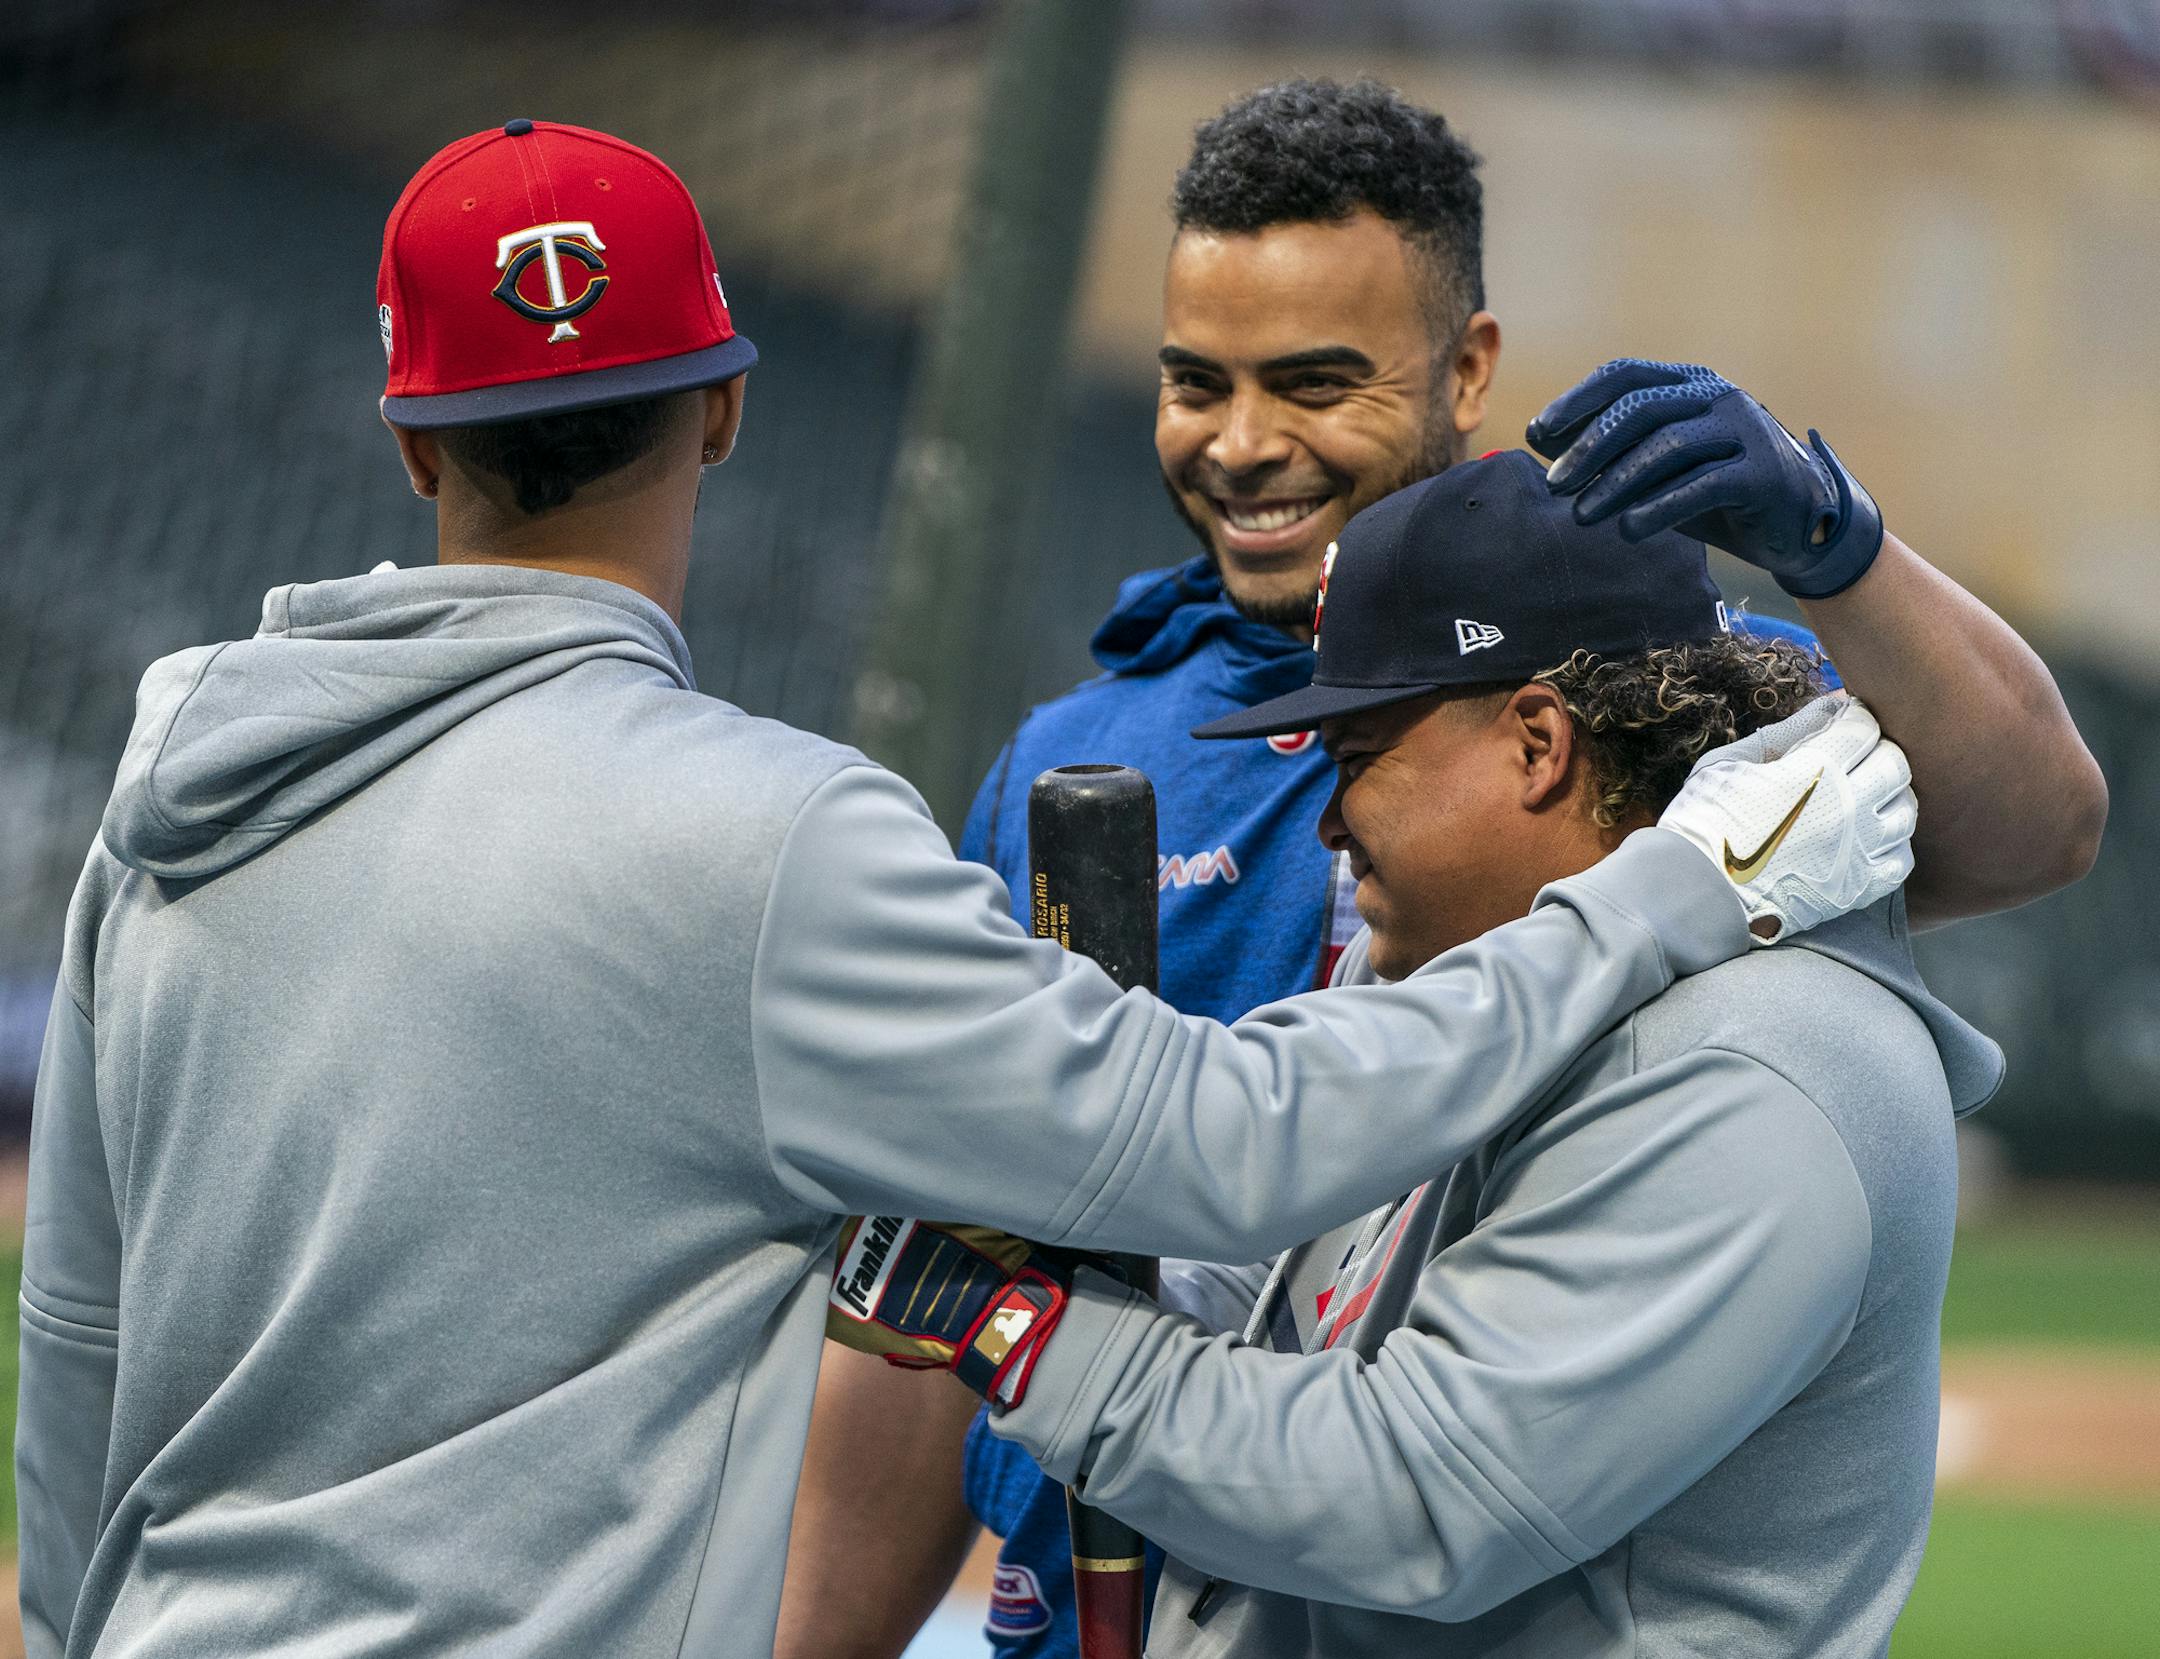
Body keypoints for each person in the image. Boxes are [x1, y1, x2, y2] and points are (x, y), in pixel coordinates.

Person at [11, 122, 1908, 1659]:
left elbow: (77, 1348)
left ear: (412, 435)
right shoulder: (766, 831)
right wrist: (1672, 891)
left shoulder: (172, 805)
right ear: (729, 411)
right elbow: (1228, 1140)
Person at [778, 78, 2105, 1659]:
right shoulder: (1093, 736)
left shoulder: (1689, 723)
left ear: (1466, 367)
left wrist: (1839, 546)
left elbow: (2040, 822)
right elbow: (960, 1259)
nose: (1246, 441)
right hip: (1126, 1571)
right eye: (1196, 379)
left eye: (1316, 381)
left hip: (1317, 1508)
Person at [825, 451, 2001, 1658]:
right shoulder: (1473, 985)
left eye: (1355, 761)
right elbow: (1256, 1288)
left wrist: (1013, 1323)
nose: (1330, 824)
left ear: (1538, 743)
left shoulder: (1762, 1064)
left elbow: (1406, 1505)